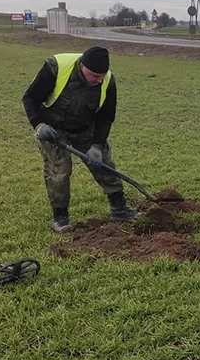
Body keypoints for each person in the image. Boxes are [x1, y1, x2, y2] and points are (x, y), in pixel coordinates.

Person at [21, 46, 137, 233]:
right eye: (94, 75)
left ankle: (119, 208)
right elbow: (30, 98)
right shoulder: (56, 67)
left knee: (105, 164)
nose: (98, 80)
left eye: (101, 75)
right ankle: (60, 216)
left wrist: (97, 145)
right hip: (53, 129)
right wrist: (39, 124)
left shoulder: (107, 80)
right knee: (59, 170)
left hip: (85, 127)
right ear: (82, 66)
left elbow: (106, 116)